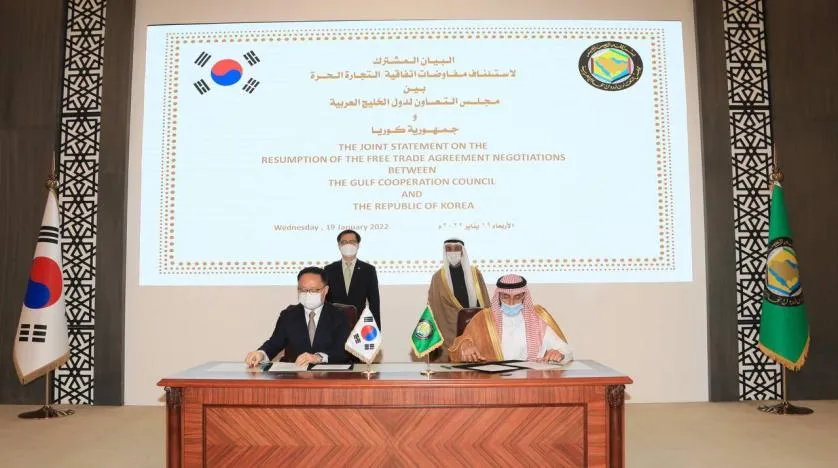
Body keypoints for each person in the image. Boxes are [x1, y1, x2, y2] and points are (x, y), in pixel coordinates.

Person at [449, 274, 573, 364]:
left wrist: (559, 354)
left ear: (524, 296)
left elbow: (566, 350)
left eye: (517, 297)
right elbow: (458, 346)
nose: (511, 302)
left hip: (529, 379)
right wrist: (464, 346)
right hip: (492, 381)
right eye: (505, 297)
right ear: (498, 296)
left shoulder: (537, 319)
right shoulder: (483, 319)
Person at [245, 266, 350, 367]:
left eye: (314, 290)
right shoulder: (288, 315)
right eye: (303, 290)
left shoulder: (339, 315)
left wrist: (318, 357)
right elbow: (274, 343)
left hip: (329, 375)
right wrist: (261, 354)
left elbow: (343, 351)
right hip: (295, 373)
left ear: (325, 290)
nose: (308, 294)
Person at [426, 238, 491, 362]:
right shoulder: (438, 277)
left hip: (474, 327)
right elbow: (433, 307)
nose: (453, 252)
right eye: (449, 249)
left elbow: (484, 302)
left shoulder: (475, 274)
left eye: (456, 248)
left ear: (462, 251)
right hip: (448, 330)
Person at [324, 229, 381, 328]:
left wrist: (376, 329)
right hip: (334, 324)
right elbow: (325, 300)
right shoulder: (329, 269)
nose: (348, 245)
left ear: (358, 245)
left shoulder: (368, 270)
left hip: (359, 325)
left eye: (352, 242)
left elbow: (374, 302)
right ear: (339, 246)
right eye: (344, 242)